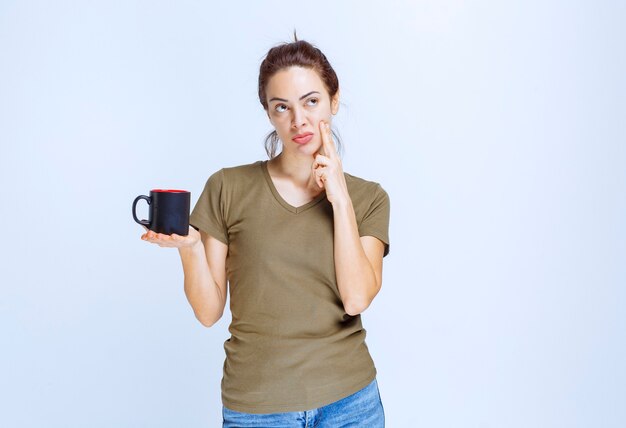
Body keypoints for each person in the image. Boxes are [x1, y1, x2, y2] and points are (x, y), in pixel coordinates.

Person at [140, 35, 390, 427]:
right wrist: (189, 248)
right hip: (257, 407)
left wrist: (340, 200)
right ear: (269, 114)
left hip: (350, 404)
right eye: (282, 107)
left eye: (311, 101)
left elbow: (356, 298)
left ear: (333, 100)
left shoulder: (368, 198)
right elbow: (208, 313)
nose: (298, 121)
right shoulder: (228, 188)